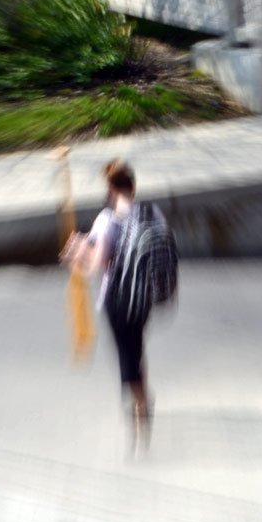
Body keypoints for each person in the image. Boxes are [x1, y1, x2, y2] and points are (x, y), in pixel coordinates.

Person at [62, 159, 163, 447]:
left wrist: (75, 255)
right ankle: (142, 399)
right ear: (132, 185)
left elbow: (96, 265)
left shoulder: (107, 220)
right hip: (144, 296)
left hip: (117, 300)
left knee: (126, 355)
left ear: (109, 187)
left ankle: (141, 409)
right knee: (136, 347)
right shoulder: (151, 212)